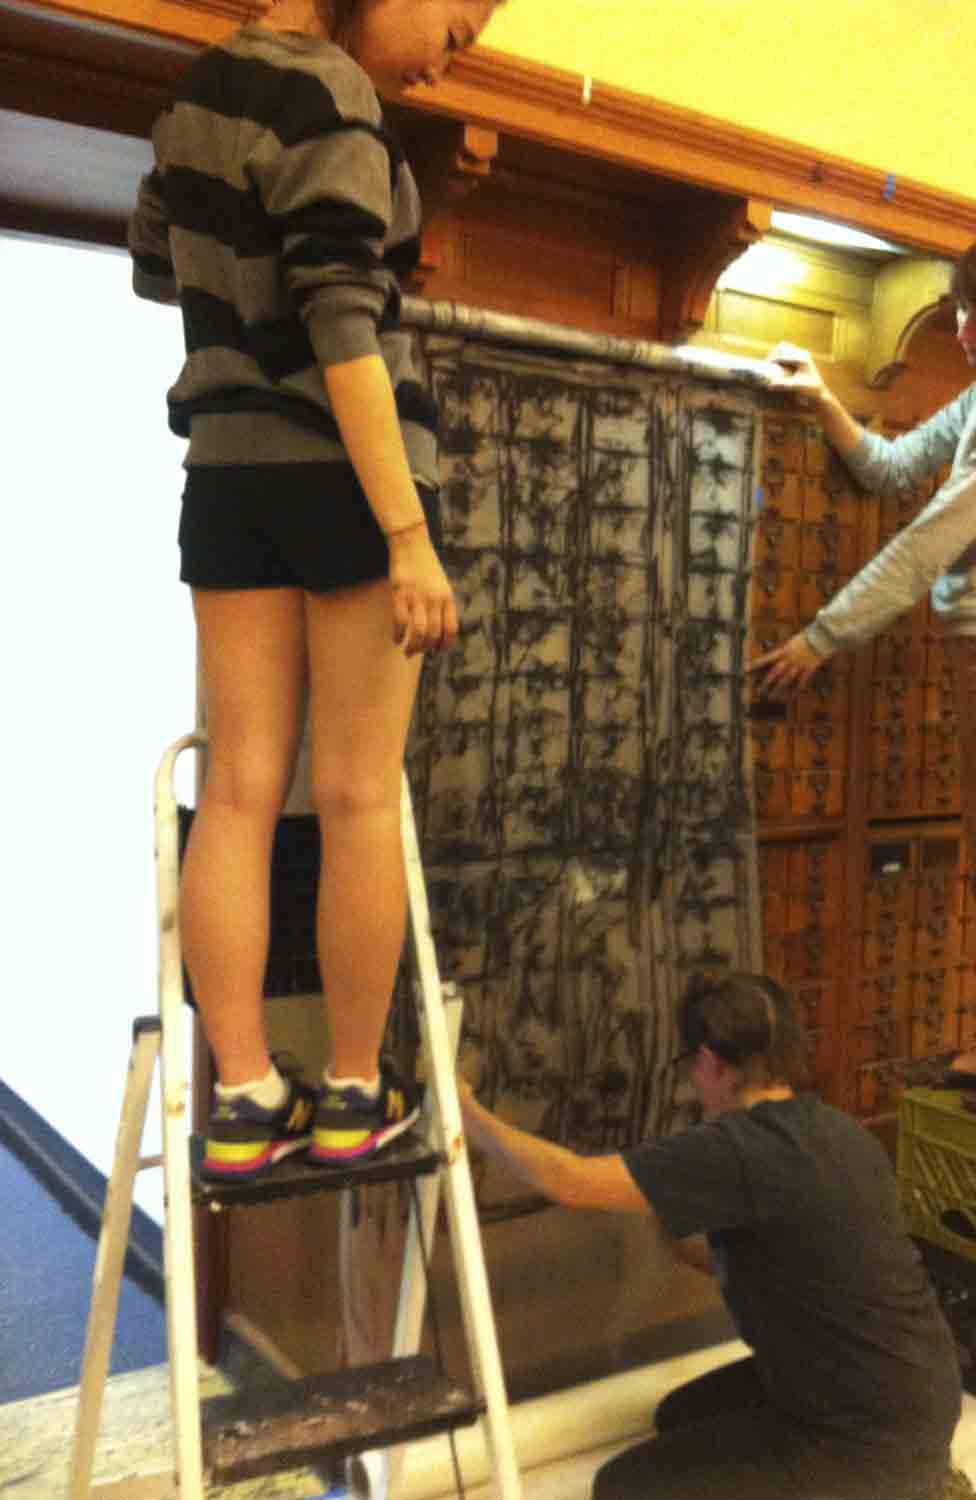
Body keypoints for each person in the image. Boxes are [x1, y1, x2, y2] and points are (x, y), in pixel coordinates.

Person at [128, 0, 501, 1178]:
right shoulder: (335, 94)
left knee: (237, 791)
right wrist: (407, 532)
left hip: (228, 470)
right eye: (461, 12)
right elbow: (344, 322)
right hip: (345, 473)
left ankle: (240, 1097)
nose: (465, 42)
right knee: (351, 795)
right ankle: (349, 1090)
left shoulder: (195, 100)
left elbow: (154, 264)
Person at [751, 223, 976, 1129]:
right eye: (960, 308)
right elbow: (890, 469)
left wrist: (819, 639)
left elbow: (925, 547)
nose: (963, 329)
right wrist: (825, 398)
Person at [459, 970, 963, 1500]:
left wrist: (464, 1110)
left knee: (623, 1487)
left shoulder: (741, 1148)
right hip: (914, 1393)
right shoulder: (835, 1130)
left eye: (689, 1070)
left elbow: (566, 1181)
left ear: (708, 1062)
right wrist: (658, 1201)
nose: (692, 1086)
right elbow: (781, 1264)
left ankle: (903, 1489)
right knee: (679, 1415)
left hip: (866, 1438)